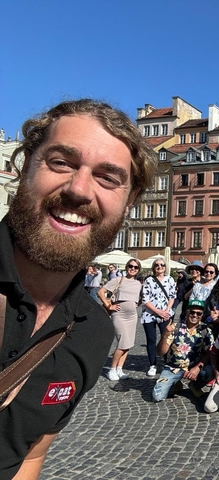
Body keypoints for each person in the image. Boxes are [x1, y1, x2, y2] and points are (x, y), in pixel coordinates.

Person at [0, 98, 155, 478]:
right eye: (62, 162)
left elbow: (29, 457)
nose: (80, 190)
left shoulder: (92, 331)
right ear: (24, 167)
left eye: (108, 177)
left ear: (129, 201)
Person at [152, 299, 214, 402]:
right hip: (173, 368)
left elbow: (210, 353)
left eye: (199, 313)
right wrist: (165, 335)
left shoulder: (205, 330)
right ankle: (175, 382)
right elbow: (160, 352)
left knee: (208, 371)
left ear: (202, 315)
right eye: (192, 312)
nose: (195, 315)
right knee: (157, 397)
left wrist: (198, 368)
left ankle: (195, 385)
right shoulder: (175, 328)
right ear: (187, 312)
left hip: (193, 368)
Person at [98, 258, 144, 381]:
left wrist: (135, 304)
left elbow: (140, 298)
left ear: (138, 270)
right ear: (127, 267)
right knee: (123, 342)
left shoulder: (138, 284)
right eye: (131, 266)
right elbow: (101, 292)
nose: (133, 269)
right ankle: (112, 369)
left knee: (128, 344)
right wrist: (109, 305)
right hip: (119, 314)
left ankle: (120, 368)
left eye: (135, 267)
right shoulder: (119, 280)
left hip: (132, 316)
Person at [141, 257, 177, 377]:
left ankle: (167, 363)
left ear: (165, 267)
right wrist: (158, 312)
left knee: (166, 339)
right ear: (153, 267)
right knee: (151, 340)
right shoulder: (149, 280)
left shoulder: (170, 279)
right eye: (157, 265)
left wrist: (166, 311)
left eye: (162, 265)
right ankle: (153, 365)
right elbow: (145, 299)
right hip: (150, 314)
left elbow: (172, 296)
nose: (159, 267)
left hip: (165, 314)